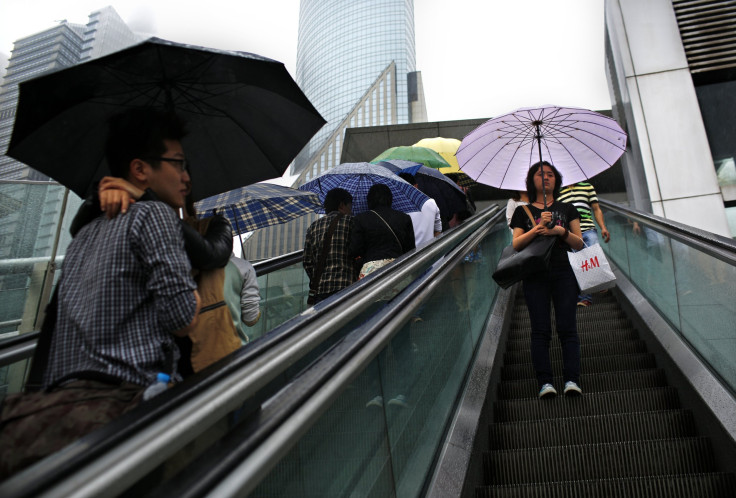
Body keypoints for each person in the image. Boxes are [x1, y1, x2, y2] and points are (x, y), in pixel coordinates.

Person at [0, 108, 201, 477]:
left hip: (57, 412)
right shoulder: (154, 217)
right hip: (124, 408)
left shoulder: (82, 237)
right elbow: (181, 318)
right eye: (179, 163)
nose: (186, 177)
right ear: (140, 170)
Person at [509, 161, 584, 399]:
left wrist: (560, 231)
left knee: (567, 328)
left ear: (557, 180)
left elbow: (579, 243)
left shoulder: (567, 208)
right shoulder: (523, 211)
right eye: (540, 174)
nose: (546, 178)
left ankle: (572, 379)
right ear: (532, 181)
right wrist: (538, 228)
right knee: (540, 330)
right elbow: (517, 244)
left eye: (550, 174)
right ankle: (545, 382)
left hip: (564, 271)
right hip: (535, 274)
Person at [558, 181, 611, 307]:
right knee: (579, 264)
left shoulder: (587, 187)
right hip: (571, 233)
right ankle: (585, 297)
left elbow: (596, 209)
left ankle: (601, 280)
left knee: (593, 251)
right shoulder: (558, 193)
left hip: (588, 228)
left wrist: (603, 227)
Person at [350, 184, 415, 279]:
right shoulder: (404, 218)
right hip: (399, 268)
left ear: (369, 200)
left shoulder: (360, 219)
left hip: (370, 270)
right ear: (390, 199)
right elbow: (410, 249)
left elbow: (355, 249)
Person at [303, 188, 357, 304]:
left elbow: (307, 262)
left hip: (320, 290)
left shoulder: (313, 227)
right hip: (347, 286)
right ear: (342, 205)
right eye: (350, 207)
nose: (351, 211)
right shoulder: (351, 221)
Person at [397, 172, 442, 247]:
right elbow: (438, 231)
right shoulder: (431, 202)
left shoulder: (398, 208)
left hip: (410, 256)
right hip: (432, 252)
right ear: (416, 186)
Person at [224, 254, 261, 343]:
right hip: (232, 347)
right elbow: (251, 318)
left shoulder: (189, 266)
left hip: (193, 349)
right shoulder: (244, 267)